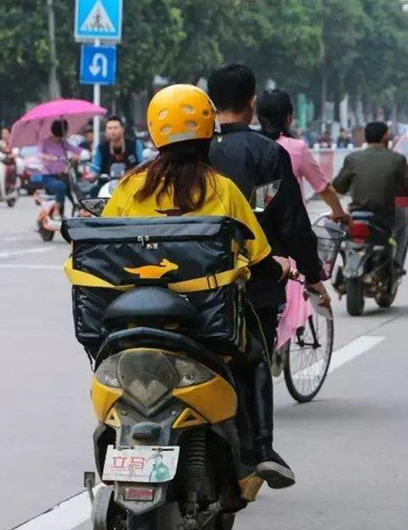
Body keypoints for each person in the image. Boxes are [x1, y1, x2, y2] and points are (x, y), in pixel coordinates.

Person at [104, 84, 296, 488]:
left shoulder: (128, 188)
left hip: (133, 317)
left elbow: (105, 246)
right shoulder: (222, 189)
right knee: (256, 358)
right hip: (207, 322)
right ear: (209, 131)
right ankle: (263, 450)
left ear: (154, 133)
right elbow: (259, 257)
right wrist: (279, 267)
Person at [208, 63, 327, 488]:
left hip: (190, 281)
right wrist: (312, 274)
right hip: (253, 279)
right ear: (251, 102)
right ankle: (260, 448)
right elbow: (285, 220)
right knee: (254, 356)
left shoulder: (190, 152)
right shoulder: (264, 154)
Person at [256, 89, 350, 223]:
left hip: (253, 227)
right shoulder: (296, 148)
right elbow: (323, 189)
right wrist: (340, 213)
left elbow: (258, 203)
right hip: (291, 228)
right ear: (288, 118)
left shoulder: (250, 145)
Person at [332, 121, 408, 271]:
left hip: (356, 213)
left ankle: (331, 264)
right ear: (386, 137)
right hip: (386, 215)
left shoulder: (352, 159)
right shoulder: (397, 159)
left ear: (366, 137)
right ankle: (397, 264)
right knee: (405, 221)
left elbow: (338, 187)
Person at [38, 119, 83, 218]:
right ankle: (56, 211)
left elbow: (76, 150)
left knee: (74, 188)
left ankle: (78, 208)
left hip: (62, 175)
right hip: (48, 176)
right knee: (61, 186)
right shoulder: (45, 142)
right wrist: (49, 158)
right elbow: (39, 154)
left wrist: (81, 155)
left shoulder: (63, 143)